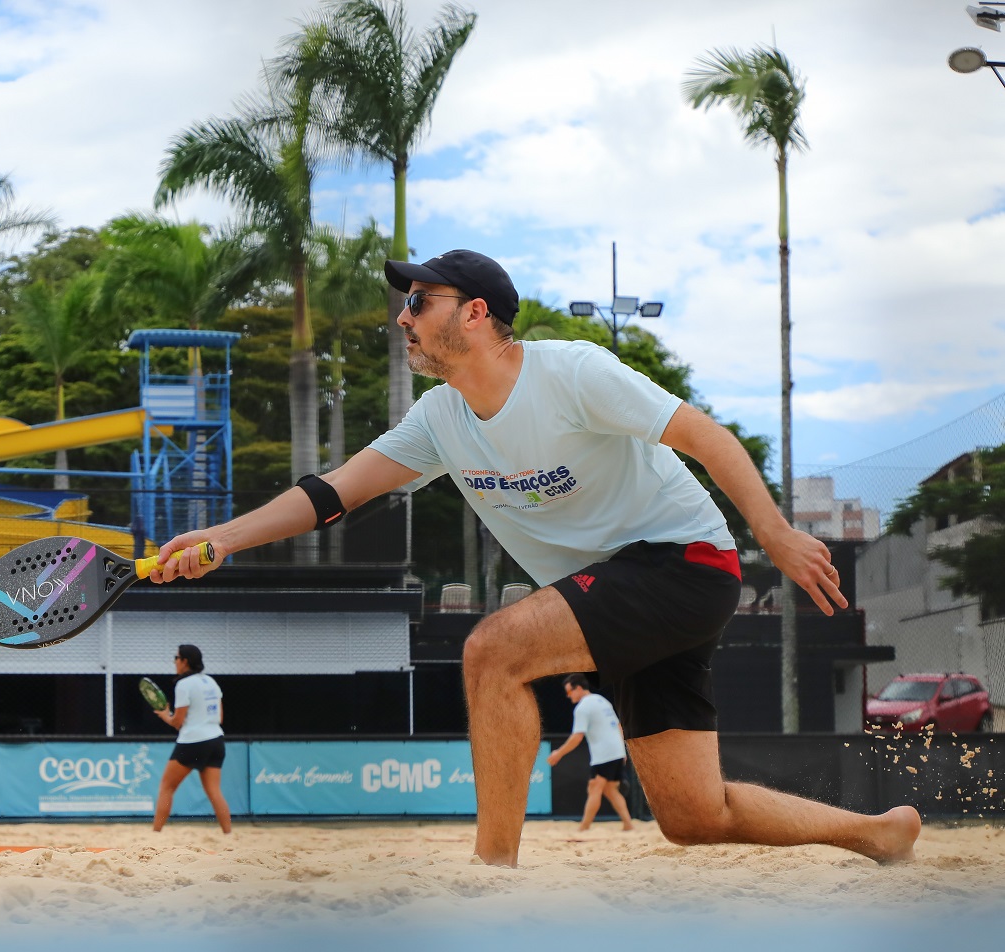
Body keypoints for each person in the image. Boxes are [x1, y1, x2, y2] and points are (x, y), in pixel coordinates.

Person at [148, 248, 921, 867]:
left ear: (475, 313)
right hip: (627, 593)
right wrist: (219, 540)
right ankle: (876, 832)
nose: (402, 316)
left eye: (419, 301)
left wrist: (775, 532)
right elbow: (331, 492)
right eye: (403, 303)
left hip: (682, 561)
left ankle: (493, 868)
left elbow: (704, 436)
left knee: (492, 650)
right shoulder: (440, 418)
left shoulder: (571, 371)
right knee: (694, 818)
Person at [151, 644, 232, 835]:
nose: (174, 661)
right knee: (214, 791)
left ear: (185, 661)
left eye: (176, 657)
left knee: (166, 787)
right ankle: (228, 834)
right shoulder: (211, 682)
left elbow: (177, 722)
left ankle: (156, 834)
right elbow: (219, 718)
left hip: (192, 741)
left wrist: (164, 715)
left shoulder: (184, 684)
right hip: (216, 740)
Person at [547, 674, 634, 832]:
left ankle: (584, 827)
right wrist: (622, 750)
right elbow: (618, 725)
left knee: (594, 788)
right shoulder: (601, 700)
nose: (568, 696)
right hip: (616, 751)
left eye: (569, 692)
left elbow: (577, 737)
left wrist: (558, 753)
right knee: (610, 790)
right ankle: (628, 824)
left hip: (604, 754)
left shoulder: (583, 708)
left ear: (578, 688)